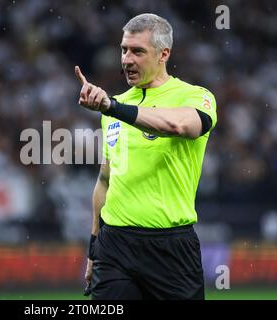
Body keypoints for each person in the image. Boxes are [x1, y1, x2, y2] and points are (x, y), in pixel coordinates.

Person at [74, 13, 217, 300]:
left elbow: (181, 126)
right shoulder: (115, 106)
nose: (127, 59)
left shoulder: (195, 96)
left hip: (171, 249)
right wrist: (93, 247)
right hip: (115, 246)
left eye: (138, 51)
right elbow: (105, 180)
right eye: (124, 50)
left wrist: (110, 107)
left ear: (164, 54)